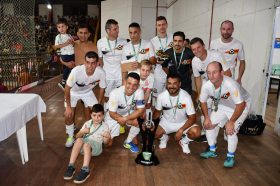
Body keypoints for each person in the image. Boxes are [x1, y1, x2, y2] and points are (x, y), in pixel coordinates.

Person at [199, 62, 251, 168]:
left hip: (240, 107)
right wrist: (206, 117)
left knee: (230, 131)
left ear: (222, 73)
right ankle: (212, 150)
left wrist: (231, 122)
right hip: (223, 105)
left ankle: (230, 156)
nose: (211, 76)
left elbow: (241, 105)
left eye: (215, 72)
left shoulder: (230, 84)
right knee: (208, 125)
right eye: (209, 73)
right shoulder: (207, 86)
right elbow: (202, 101)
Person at [190, 37, 231, 142]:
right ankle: (206, 132)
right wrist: (199, 95)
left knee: (223, 108)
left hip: (222, 84)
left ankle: (227, 130)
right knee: (204, 108)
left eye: (198, 47)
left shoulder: (216, 55)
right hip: (207, 85)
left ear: (204, 46)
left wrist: (222, 91)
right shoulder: (194, 61)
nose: (196, 51)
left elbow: (227, 74)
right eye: (193, 49)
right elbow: (197, 78)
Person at [64, 51, 106, 148]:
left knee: (98, 114)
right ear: (84, 62)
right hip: (72, 93)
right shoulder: (76, 71)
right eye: (87, 62)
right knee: (68, 115)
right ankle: (70, 136)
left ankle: (95, 134)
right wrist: (68, 107)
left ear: (97, 63)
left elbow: (102, 88)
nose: (90, 66)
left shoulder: (101, 72)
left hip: (87, 93)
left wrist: (98, 105)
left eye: (93, 63)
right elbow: (67, 88)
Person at [153, 73, 201, 154]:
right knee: (152, 131)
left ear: (180, 84)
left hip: (182, 123)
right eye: (169, 83)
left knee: (197, 132)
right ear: (166, 84)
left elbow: (192, 118)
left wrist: (181, 130)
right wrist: (150, 125)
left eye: (174, 83)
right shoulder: (161, 96)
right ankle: (164, 138)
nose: (171, 86)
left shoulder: (186, 97)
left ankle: (184, 141)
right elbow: (157, 114)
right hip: (166, 122)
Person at [63, 104, 111, 184]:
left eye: (99, 116)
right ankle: (71, 166)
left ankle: (85, 169)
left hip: (96, 147)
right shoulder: (88, 123)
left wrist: (107, 138)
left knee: (86, 144)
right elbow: (77, 136)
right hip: (84, 147)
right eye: (94, 115)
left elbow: (106, 143)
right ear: (91, 115)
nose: (96, 118)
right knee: (78, 140)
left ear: (103, 116)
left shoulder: (105, 126)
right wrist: (82, 131)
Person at [97, 19, 127, 134]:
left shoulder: (124, 42)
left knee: (120, 99)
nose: (118, 31)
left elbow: (125, 61)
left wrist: (125, 77)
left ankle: (121, 123)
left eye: (117, 28)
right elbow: (100, 60)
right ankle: (105, 121)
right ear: (108, 30)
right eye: (115, 29)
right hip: (107, 76)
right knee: (107, 99)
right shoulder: (100, 42)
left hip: (120, 76)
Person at [106, 72, 145, 153]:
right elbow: (112, 113)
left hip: (127, 113)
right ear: (125, 82)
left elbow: (140, 110)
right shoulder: (115, 93)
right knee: (108, 144)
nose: (131, 87)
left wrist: (126, 119)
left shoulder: (140, 91)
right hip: (114, 115)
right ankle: (119, 126)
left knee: (142, 118)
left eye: (135, 84)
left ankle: (128, 141)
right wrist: (129, 121)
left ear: (138, 85)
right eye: (129, 83)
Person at [150, 16, 173, 104]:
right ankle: (156, 117)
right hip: (158, 73)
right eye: (159, 25)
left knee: (170, 96)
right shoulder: (152, 41)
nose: (161, 27)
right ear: (156, 27)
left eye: (163, 24)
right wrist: (157, 60)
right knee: (157, 98)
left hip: (171, 71)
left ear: (167, 25)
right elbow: (151, 59)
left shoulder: (173, 37)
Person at [54, 18, 75, 90]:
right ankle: (63, 82)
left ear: (67, 27)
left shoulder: (69, 35)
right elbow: (56, 46)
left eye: (63, 26)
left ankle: (67, 82)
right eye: (59, 27)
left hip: (72, 54)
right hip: (65, 54)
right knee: (68, 68)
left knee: (71, 68)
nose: (61, 28)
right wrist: (66, 43)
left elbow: (73, 44)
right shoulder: (58, 37)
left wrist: (72, 42)